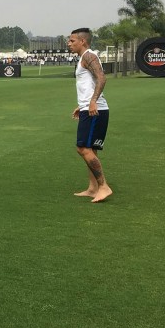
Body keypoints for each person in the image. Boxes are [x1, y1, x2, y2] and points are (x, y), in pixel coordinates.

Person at [68, 28, 113, 203]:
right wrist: (83, 105)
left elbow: (102, 78)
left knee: (83, 148)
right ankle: (93, 188)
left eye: (72, 41)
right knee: (90, 149)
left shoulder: (88, 56)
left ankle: (103, 186)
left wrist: (93, 101)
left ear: (83, 42)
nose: (69, 43)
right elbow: (89, 84)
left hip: (95, 110)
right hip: (90, 108)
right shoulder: (84, 58)